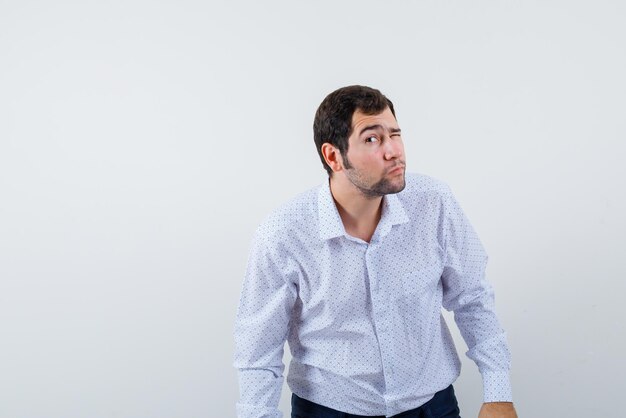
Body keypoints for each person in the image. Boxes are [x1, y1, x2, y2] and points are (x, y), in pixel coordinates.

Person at [233, 85, 518, 418]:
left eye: (394, 134)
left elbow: (472, 298)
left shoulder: (434, 202)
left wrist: (499, 392)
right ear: (333, 156)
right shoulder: (283, 233)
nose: (393, 150)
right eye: (372, 139)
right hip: (329, 409)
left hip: (431, 406)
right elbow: (258, 351)